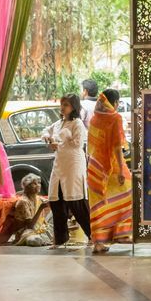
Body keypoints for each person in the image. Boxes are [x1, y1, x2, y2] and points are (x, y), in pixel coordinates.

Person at [86, 88, 132, 254]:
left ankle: (99, 242)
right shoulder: (115, 118)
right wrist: (121, 169)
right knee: (128, 194)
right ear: (116, 103)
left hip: (95, 166)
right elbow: (117, 147)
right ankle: (122, 234)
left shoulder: (94, 119)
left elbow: (91, 146)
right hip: (111, 167)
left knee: (98, 205)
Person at [42, 94, 91, 247]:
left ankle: (93, 235)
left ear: (73, 107)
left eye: (67, 105)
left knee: (75, 200)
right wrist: (48, 140)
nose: (63, 107)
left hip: (73, 164)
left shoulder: (77, 123)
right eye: (62, 104)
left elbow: (77, 144)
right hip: (59, 164)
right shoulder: (58, 123)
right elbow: (46, 131)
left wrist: (63, 138)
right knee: (55, 200)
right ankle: (61, 238)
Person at [11, 174, 53, 247]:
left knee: (54, 213)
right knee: (34, 241)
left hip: (40, 228)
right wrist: (41, 208)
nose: (38, 185)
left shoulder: (37, 198)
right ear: (27, 186)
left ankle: (47, 238)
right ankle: (44, 239)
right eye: (34, 183)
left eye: (39, 183)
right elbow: (30, 226)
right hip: (26, 232)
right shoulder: (23, 202)